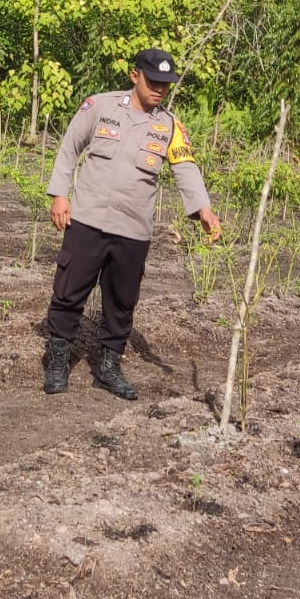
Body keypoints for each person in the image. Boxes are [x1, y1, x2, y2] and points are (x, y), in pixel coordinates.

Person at [42, 48, 221, 399]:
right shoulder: (99, 107)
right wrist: (60, 195)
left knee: (122, 302)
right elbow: (69, 149)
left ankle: (108, 367)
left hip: (133, 230)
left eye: (166, 84)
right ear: (134, 75)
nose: (159, 89)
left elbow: (185, 168)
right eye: (153, 81)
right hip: (88, 220)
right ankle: (58, 360)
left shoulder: (169, 126)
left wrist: (204, 210)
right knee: (68, 292)